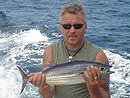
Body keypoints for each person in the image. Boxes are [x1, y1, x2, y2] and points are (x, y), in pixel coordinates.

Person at [28, 2, 110, 98]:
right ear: (60, 28)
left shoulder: (98, 56)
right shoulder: (50, 51)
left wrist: (93, 88)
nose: (72, 31)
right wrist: (42, 85)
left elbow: (106, 96)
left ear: (85, 28)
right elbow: (48, 94)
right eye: (67, 26)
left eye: (77, 26)